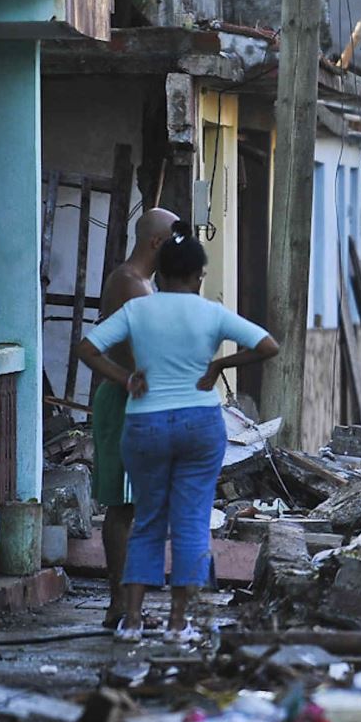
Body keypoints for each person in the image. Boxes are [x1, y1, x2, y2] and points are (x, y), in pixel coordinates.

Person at [77, 222, 279, 642]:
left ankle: (131, 621)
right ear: (198, 276)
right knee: (189, 522)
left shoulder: (138, 307)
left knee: (147, 519)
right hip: (199, 426)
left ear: (162, 272)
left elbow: (87, 349)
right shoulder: (211, 313)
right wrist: (219, 366)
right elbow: (267, 346)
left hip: (146, 423)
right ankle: (177, 623)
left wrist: (126, 377)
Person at [91, 206, 179, 629]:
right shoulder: (129, 284)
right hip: (129, 403)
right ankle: (122, 607)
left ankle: (127, 607)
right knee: (125, 509)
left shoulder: (142, 284)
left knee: (137, 507)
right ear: (157, 243)